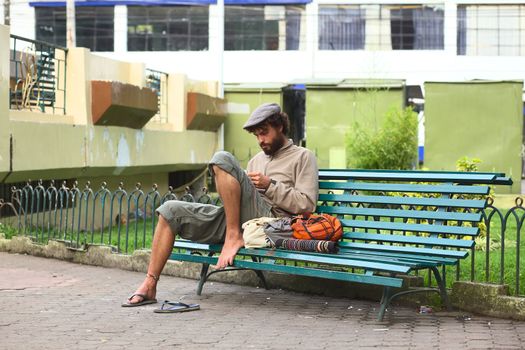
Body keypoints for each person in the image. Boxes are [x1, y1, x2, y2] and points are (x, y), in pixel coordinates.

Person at [122, 102, 318, 307]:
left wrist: (270, 186)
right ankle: (150, 284)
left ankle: (232, 236)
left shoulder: (303, 157)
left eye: (264, 133)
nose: (260, 140)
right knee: (170, 210)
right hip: (243, 220)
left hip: (273, 223)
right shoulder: (257, 160)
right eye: (256, 135)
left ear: (280, 126)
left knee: (222, 158)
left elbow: (306, 205)